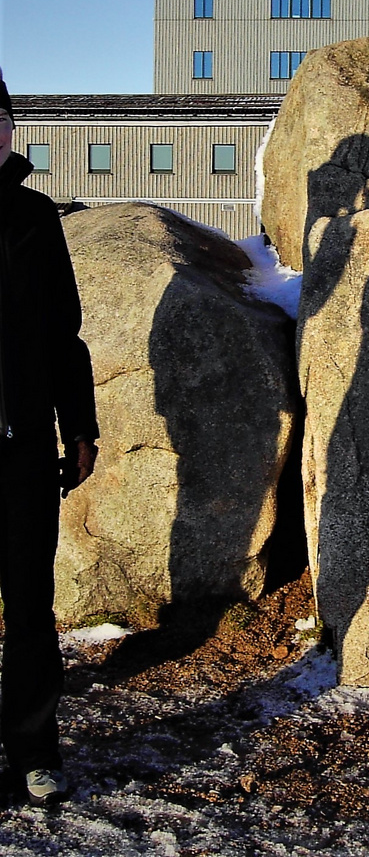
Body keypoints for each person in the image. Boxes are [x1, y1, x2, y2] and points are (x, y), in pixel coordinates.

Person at [0, 71, 98, 806]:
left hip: (22, 448)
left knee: (31, 607)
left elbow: (64, 335)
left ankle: (34, 750)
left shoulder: (35, 217)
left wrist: (81, 427)